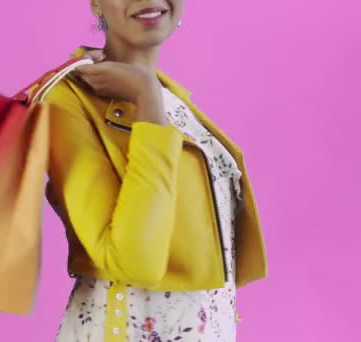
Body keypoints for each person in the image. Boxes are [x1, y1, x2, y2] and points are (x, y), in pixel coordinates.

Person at [40, 1, 268, 341]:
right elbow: (135, 260)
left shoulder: (172, 98)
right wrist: (144, 96)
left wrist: (149, 92)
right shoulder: (66, 100)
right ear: (96, 3)